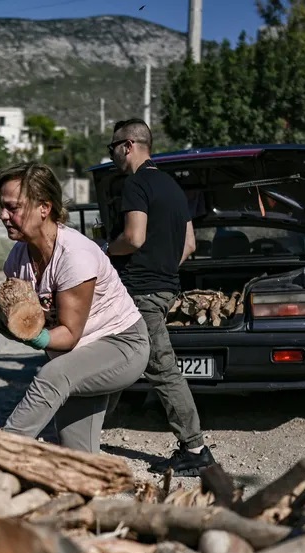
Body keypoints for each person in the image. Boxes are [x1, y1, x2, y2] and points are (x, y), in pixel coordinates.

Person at [0, 161, 150, 453]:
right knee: (77, 453)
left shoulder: (75, 256)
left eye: (12, 207)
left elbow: (68, 336)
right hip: (76, 357)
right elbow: (19, 323)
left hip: (121, 345)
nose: (3, 215)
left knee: (51, 376)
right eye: (2, 207)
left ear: (44, 208)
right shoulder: (18, 260)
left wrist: (35, 337)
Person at [105, 118, 215, 477]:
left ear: (128, 145)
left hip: (140, 292)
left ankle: (195, 449)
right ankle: (90, 430)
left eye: (113, 148)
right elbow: (190, 245)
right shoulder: (171, 186)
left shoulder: (136, 184)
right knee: (113, 356)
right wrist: (165, 267)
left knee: (162, 369)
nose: (113, 156)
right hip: (165, 288)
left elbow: (133, 238)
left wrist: (106, 248)